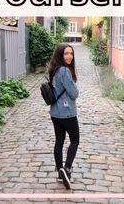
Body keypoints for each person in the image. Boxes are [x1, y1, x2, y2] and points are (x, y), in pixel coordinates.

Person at [48, 43, 79, 190]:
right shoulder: (65, 71)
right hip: (67, 112)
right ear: (60, 55)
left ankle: (60, 173)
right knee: (75, 140)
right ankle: (67, 168)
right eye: (66, 54)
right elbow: (74, 93)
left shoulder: (54, 69)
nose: (69, 56)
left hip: (55, 112)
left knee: (59, 141)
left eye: (71, 54)